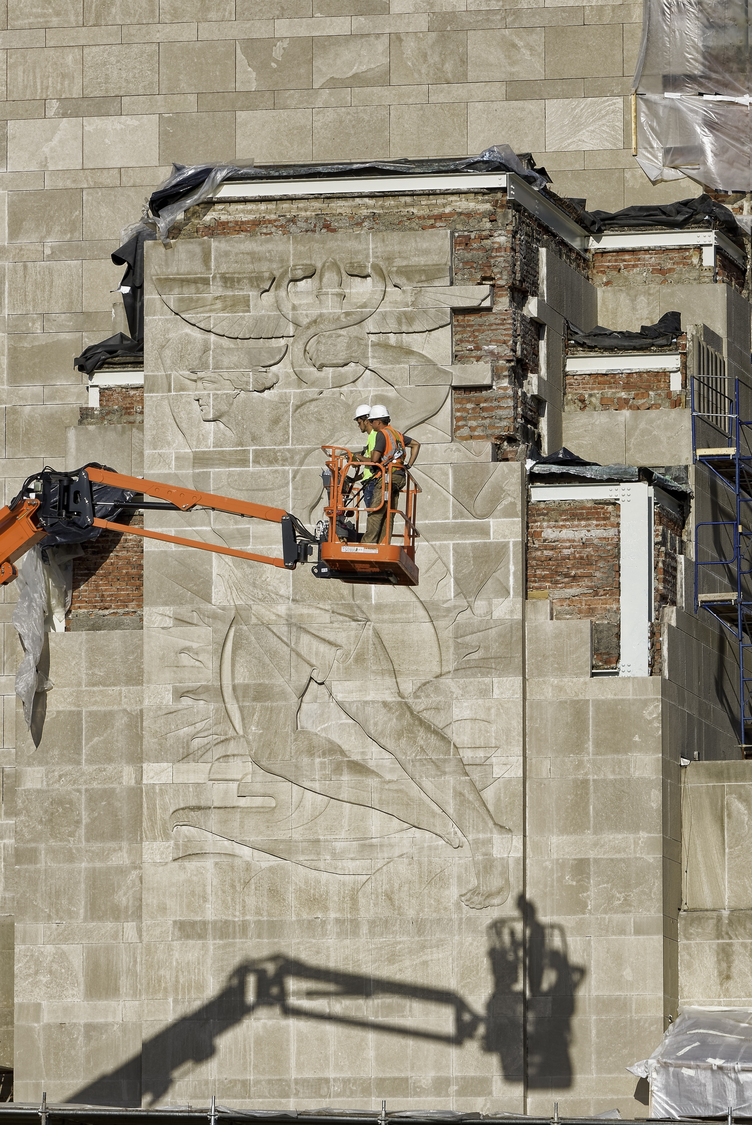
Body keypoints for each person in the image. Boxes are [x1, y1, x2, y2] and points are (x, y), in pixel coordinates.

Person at [361, 405, 413, 544]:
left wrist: (359, 457)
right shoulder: (397, 434)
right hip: (399, 476)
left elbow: (374, 459)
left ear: (378, 421)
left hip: (388, 477)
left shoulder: (382, 434)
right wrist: (409, 464)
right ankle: (384, 544)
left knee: (376, 512)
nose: (370, 424)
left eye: (372, 421)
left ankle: (367, 544)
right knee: (388, 514)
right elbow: (416, 444)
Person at [352, 404, 377, 509]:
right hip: (369, 481)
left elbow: (373, 461)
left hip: (372, 483)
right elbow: (369, 468)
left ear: (366, 420)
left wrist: (356, 456)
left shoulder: (374, 436)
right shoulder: (371, 437)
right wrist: (353, 479)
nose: (359, 426)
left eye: (359, 422)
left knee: (373, 517)